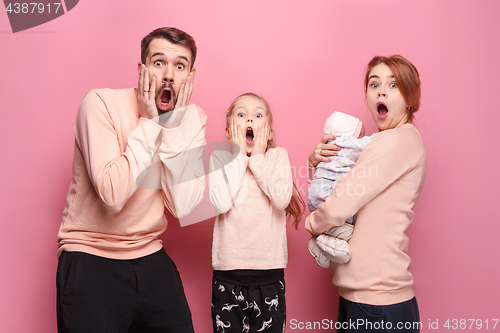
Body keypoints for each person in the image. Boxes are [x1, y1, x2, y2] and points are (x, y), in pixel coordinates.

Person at [56, 27, 206, 333]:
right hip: (90, 254)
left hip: (150, 253)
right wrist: (151, 125)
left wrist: (174, 128)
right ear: (142, 69)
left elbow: (184, 206)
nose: (168, 75)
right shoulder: (99, 104)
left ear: (190, 76)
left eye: (179, 66)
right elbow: (113, 196)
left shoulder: (192, 119)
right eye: (159, 62)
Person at [306, 55, 426, 332]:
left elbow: (339, 205)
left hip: (378, 302)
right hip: (364, 295)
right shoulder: (389, 142)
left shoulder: (397, 141)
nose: (381, 91)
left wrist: (311, 224)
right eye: (374, 84)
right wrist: (316, 164)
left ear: (410, 98)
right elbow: (343, 190)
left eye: (393, 84)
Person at [208, 93, 305, 333]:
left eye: (257, 115)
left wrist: (258, 158)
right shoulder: (221, 158)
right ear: (230, 131)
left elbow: (282, 199)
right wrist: (240, 156)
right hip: (228, 275)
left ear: (269, 132)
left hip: (269, 275)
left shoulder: (276, 157)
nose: (249, 119)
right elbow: (220, 203)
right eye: (241, 115)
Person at [307, 111, 377, 268]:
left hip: (317, 193)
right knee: (350, 234)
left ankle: (316, 242)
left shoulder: (332, 148)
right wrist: (382, 136)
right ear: (349, 133)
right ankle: (329, 244)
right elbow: (371, 143)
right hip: (329, 193)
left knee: (328, 225)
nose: (361, 138)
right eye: (360, 134)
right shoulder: (346, 143)